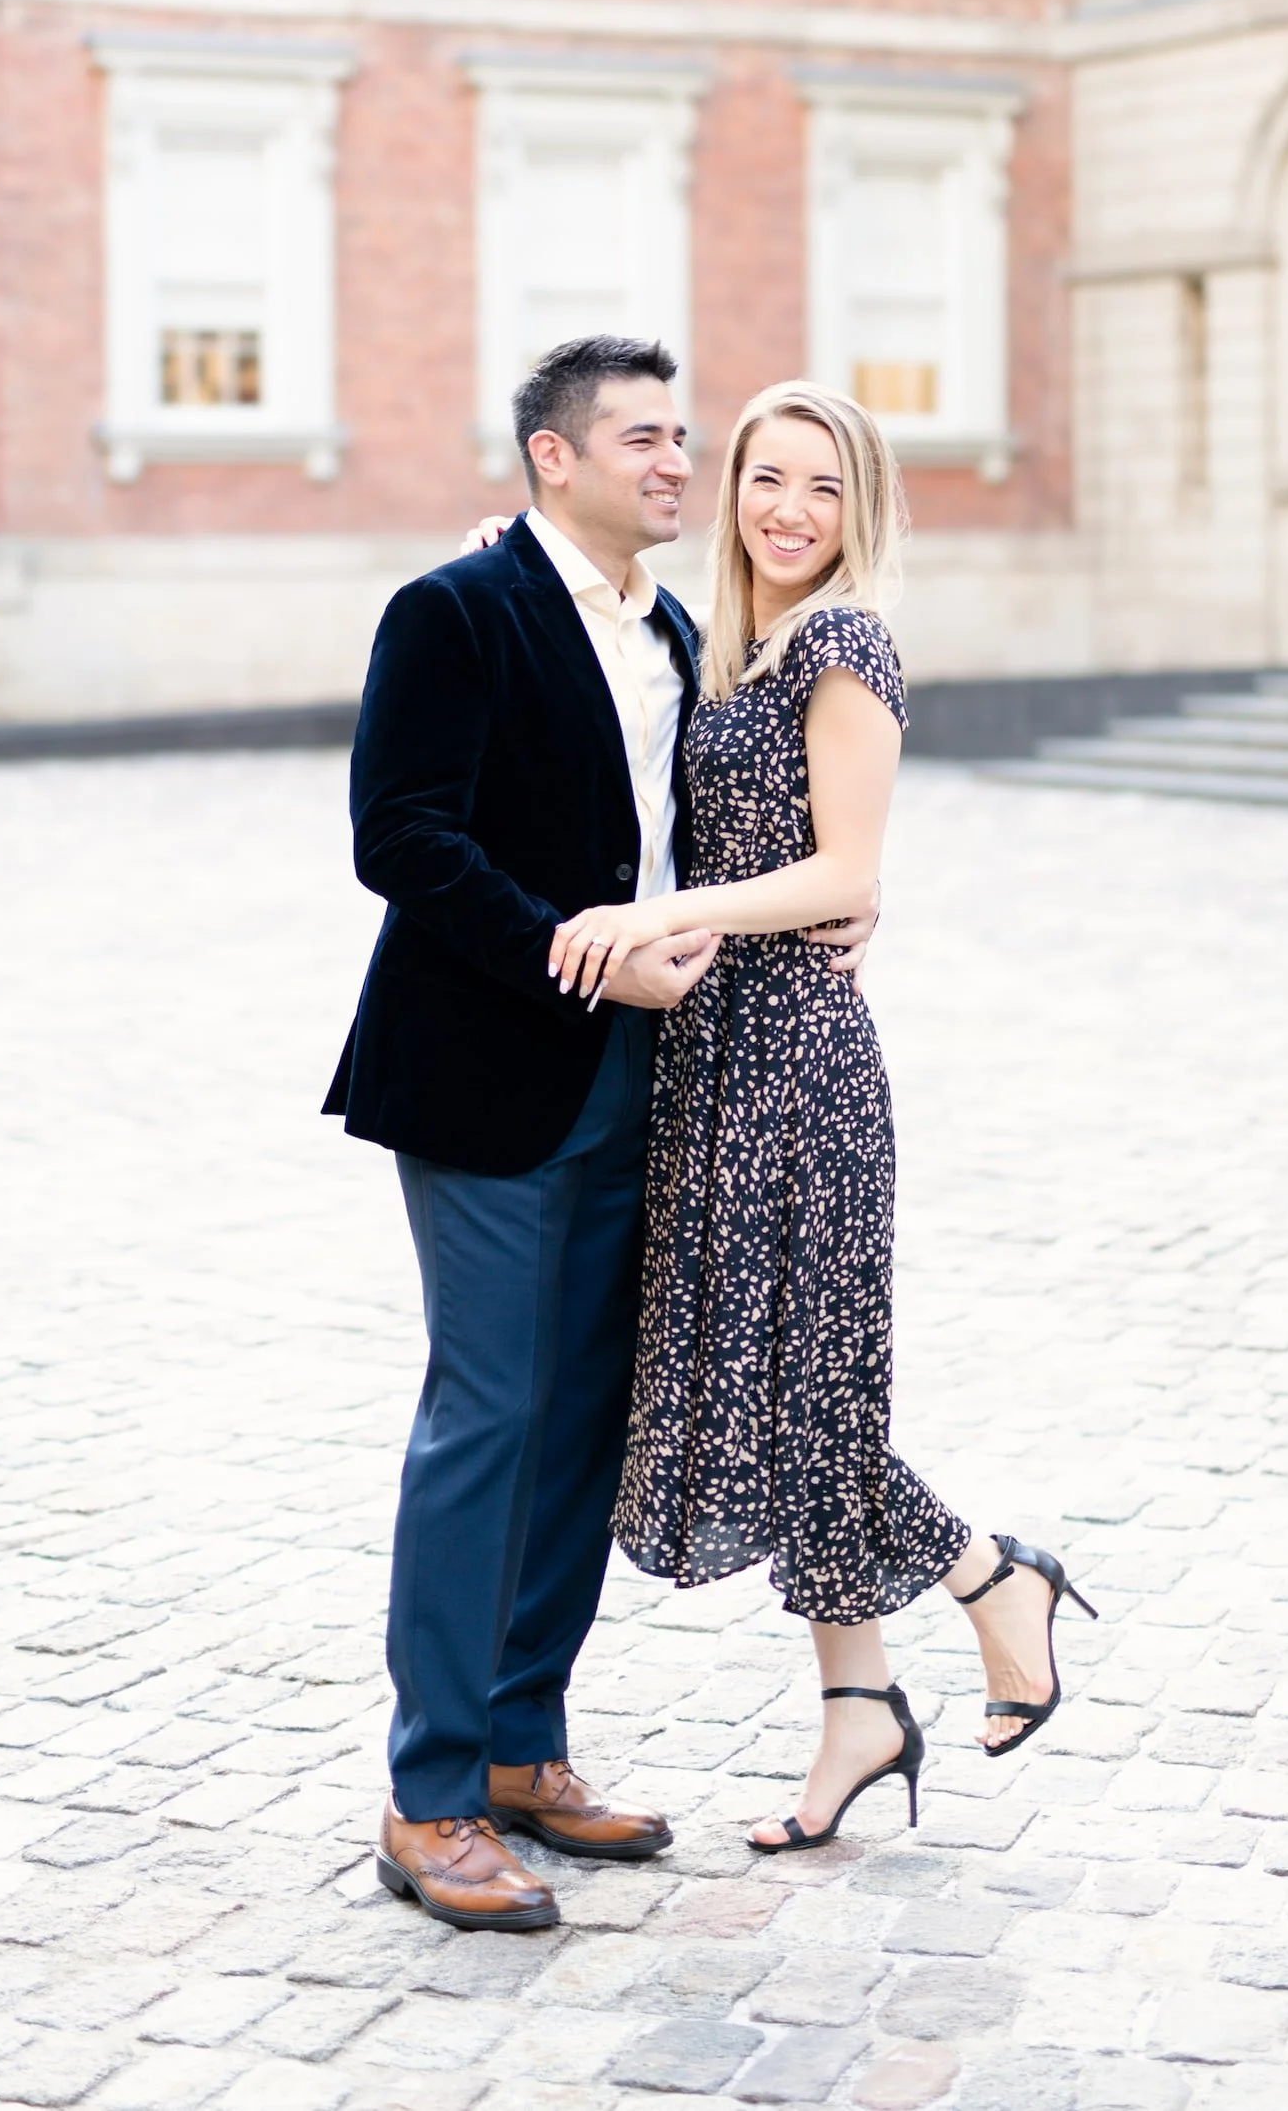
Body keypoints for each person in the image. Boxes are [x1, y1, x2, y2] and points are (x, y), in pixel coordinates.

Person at [323, 336, 877, 1930]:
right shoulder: (452, 611)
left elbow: (738, 836)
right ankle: (428, 1796)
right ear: (551, 459)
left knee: (578, 1424)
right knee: (486, 1418)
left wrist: (852, 892)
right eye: (641, 439)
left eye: (677, 436)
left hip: (652, 1084)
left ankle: (519, 1746)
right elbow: (399, 835)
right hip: (489, 1074)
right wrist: (577, 945)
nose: (673, 463)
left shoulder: (679, 629)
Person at [547, 380, 1096, 1851]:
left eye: (823, 487)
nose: (788, 510)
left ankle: (990, 1576)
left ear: (860, 511)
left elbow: (845, 869)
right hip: (708, 1062)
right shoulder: (724, 645)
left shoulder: (844, 641)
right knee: (784, 1389)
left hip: (797, 1061)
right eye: (765, 478)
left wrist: (671, 910)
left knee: (799, 1400)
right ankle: (858, 1706)